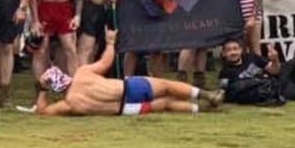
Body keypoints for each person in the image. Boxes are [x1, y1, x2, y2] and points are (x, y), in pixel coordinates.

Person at [33, 29, 223, 116]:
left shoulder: (70, 104)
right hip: (128, 89)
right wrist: (110, 42)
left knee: (165, 104)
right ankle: (206, 95)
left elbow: (43, 111)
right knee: (166, 85)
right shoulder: (82, 74)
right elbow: (106, 62)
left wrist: (42, 90)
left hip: (124, 110)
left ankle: (202, 110)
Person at [218, 38, 295, 105]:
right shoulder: (226, 72)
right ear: (223, 53)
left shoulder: (251, 57)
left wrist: (275, 59)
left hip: (280, 73)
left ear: (241, 50)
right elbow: (225, 93)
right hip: (275, 88)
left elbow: (275, 70)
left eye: (235, 49)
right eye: (228, 50)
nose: (233, 52)